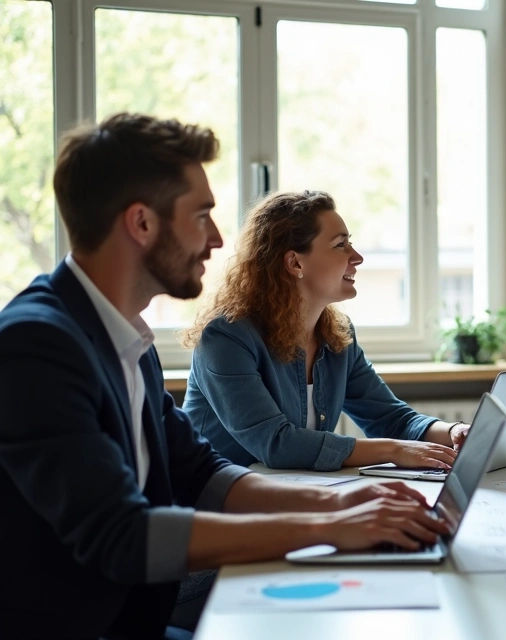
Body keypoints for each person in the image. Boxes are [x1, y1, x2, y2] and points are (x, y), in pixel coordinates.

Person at [0, 113, 449, 638]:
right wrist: (327, 525)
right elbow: (122, 535)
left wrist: (340, 499)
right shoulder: (38, 345)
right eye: (201, 216)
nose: (216, 239)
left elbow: (199, 472)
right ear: (141, 223)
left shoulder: (127, 338)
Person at [182, 190, 468, 472]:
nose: (357, 257)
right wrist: (394, 450)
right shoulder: (226, 337)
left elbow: (391, 419)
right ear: (295, 262)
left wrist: (454, 431)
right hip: (213, 505)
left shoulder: (337, 336)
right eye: (340, 245)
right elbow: (276, 444)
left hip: (292, 496)